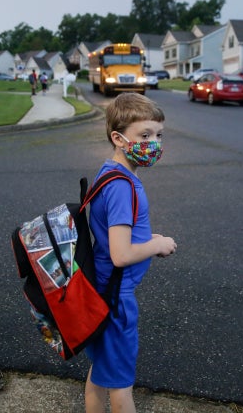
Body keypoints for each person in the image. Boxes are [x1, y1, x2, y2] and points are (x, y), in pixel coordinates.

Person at [85, 93, 177, 413]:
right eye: (145, 135)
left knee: (100, 372)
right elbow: (121, 255)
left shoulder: (110, 172)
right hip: (115, 297)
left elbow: (117, 233)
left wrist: (148, 236)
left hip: (101, 288)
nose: (154, 143)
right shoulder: (122, 186)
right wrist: (156, 245)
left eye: (158, 135)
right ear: (119, 138)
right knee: (121, 387)